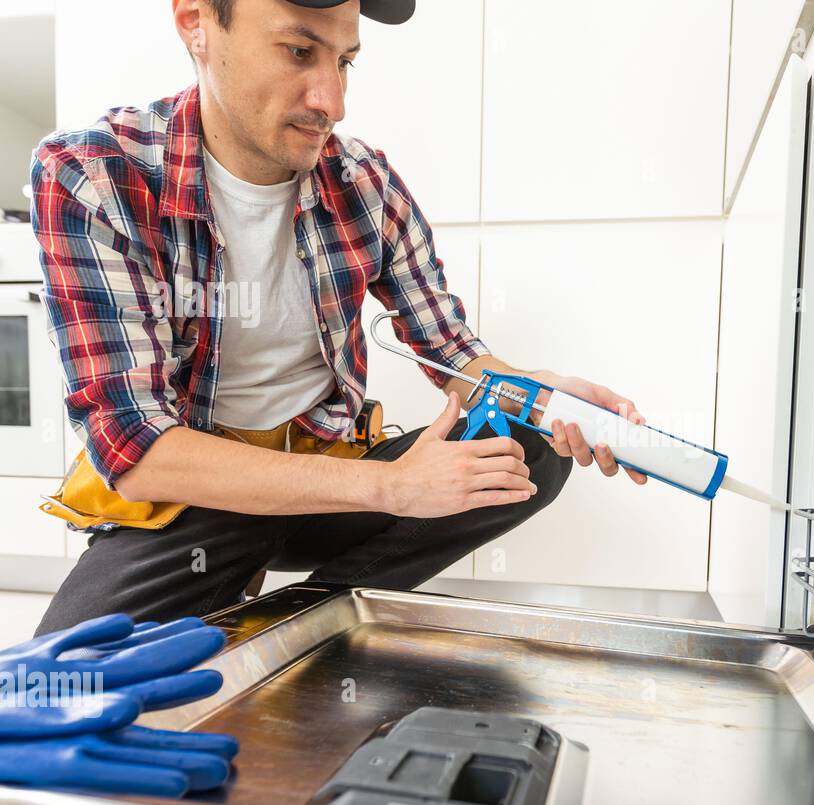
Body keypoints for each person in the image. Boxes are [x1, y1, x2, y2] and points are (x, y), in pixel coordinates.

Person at [31, 0, 647, 634]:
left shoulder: (364, 182)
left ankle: (305, 624)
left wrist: (547, 400)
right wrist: (389, 489)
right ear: (196, 25)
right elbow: (135, 447)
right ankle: (282, 612)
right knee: (52, 695)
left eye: (344, 60)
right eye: (299, 52)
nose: (332, 101)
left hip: (330, 479)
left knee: (529, 446)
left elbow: (455, 354)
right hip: (195, 501)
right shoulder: (94, 175)